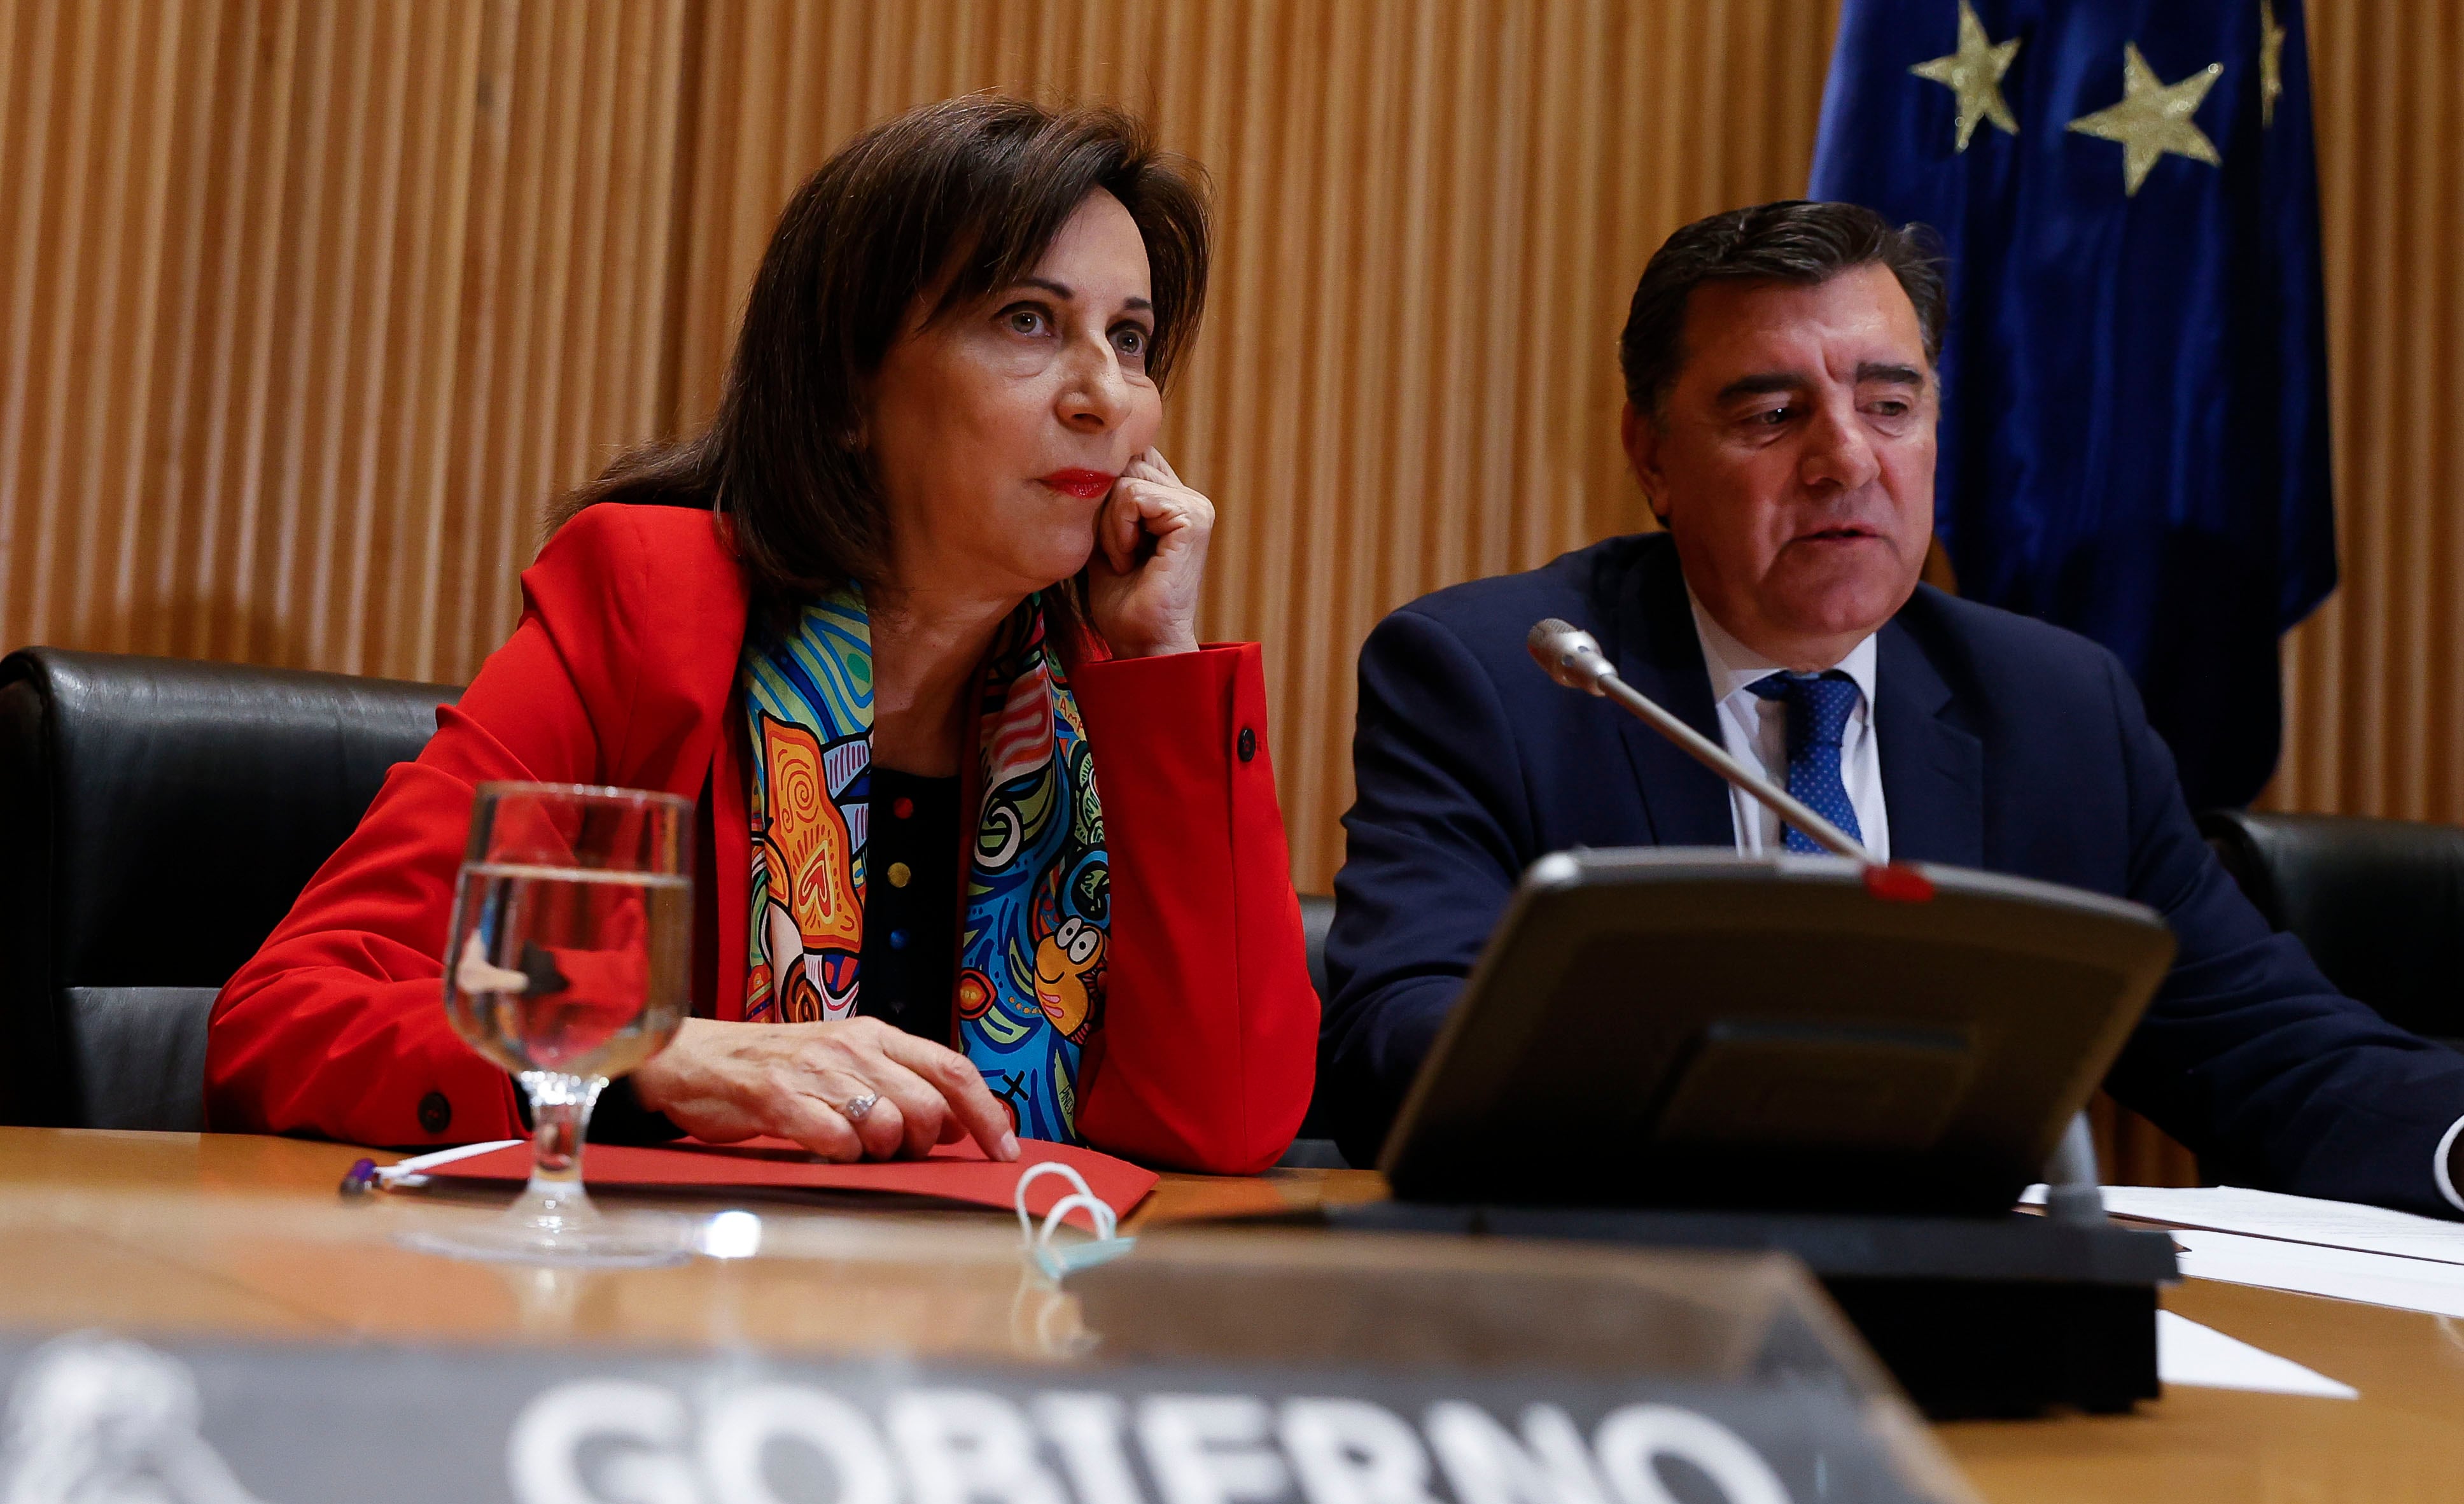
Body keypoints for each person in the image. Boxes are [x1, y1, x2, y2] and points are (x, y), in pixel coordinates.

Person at [208, 95, 1317, 1176]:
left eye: (1130, 340)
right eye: (1028, 320)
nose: (1104, 395)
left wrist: (1161, 667)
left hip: (1009, 1326)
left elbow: (1226, 1122)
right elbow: (292, 1017)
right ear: (848, 388)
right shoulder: (650, 607)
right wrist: (649, 1048)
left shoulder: (1098, 695)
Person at [1322, 199, 2464, 1217]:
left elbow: (2277, 1054)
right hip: (1637, 1313)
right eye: (1771, 413)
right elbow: (1407, 1031)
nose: (1844, 459)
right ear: (1653, 456)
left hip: (1953, 1324)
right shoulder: (1505, 676)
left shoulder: (2055, 713)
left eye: (1891, 404)